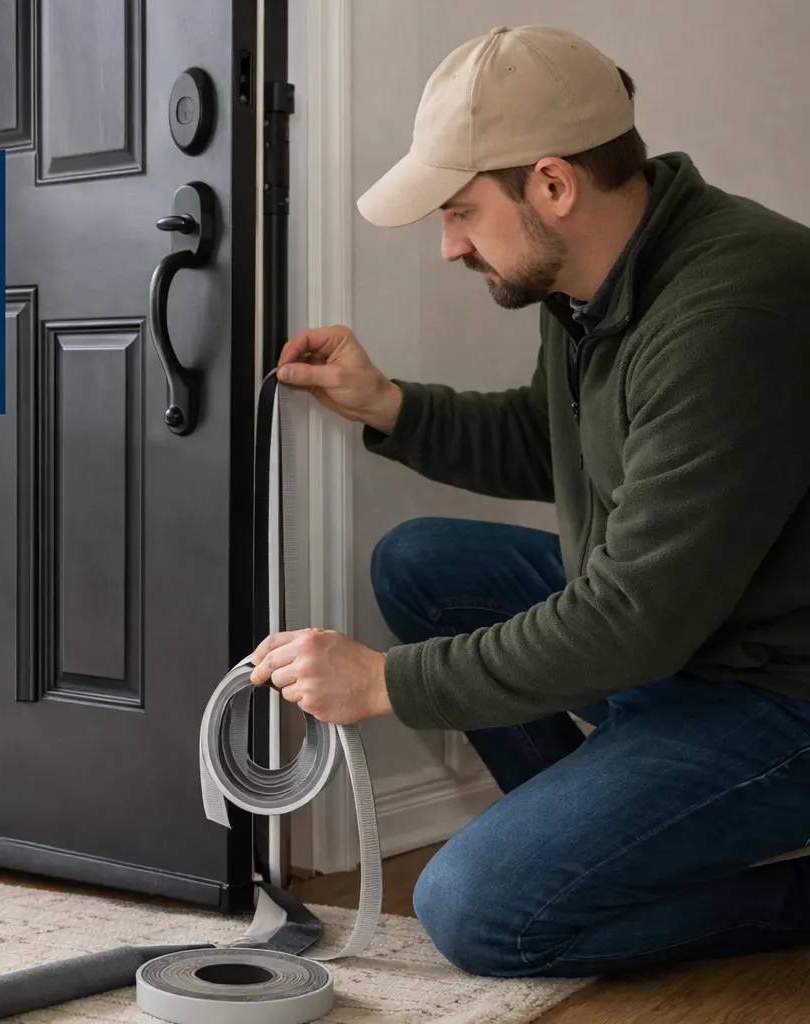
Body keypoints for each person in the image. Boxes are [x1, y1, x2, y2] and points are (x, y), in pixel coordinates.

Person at [249, 24, 810, 979]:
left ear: (553, 184)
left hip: (774, 691)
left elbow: (634, 620)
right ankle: (602, 839)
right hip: (686, 634)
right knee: (421, 561)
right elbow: (556, 442)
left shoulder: (736, 309)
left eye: (462, 211)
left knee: (478, 913)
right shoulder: (590, 280)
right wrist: (385, 403)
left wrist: (387, 683)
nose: (447, 245)